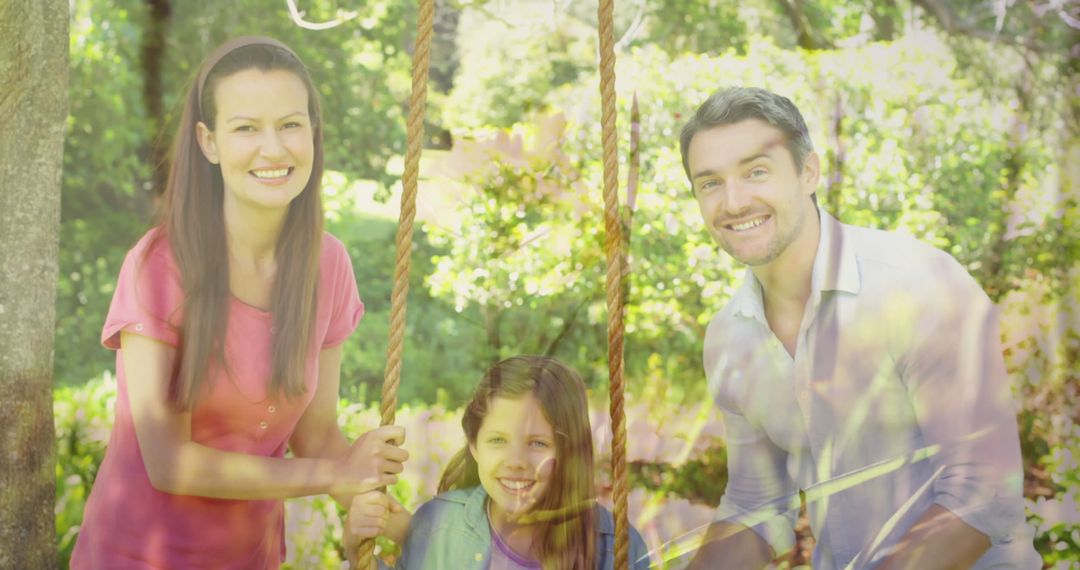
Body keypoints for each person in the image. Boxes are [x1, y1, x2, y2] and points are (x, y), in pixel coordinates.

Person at [70, 36, 408, 569]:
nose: (272, 149)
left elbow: (317, 436)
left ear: (313, 134)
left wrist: (429, 533)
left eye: (290, 125)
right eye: (246, 128)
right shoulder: (160, 266)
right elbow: (169, 463)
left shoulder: (327, 264)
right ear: (209, 142)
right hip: (135, 558)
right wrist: (335, 476)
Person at [679, 86, 1040, 569]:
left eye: (756, 172)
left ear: (808, 172)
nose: (734, 201)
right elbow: (754, 504)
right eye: (710, 183)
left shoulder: (919, 285)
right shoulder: (728, 339)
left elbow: (983, 491)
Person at [346, 355, 651, 569]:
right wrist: (356, 547)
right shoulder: (439, 524)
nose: (516, 461)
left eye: (537, 443)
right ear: (474, 445)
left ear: (570, 452)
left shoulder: (615, 546)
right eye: (497, 441)